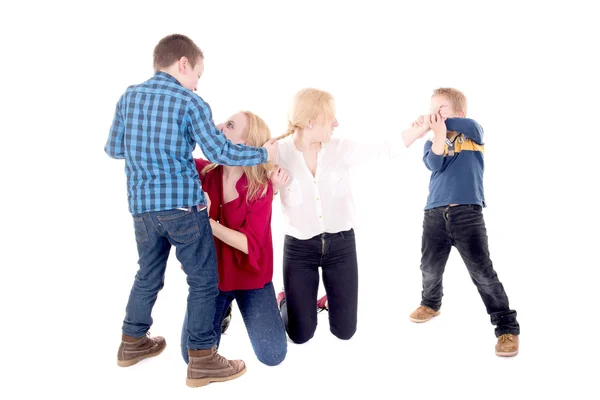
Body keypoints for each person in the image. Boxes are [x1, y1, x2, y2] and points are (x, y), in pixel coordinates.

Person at [104, 33, 278, 387]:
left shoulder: (129, 96)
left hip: (141, 209)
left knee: (147, 274)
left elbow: (114, 150)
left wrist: (149, 154)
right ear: (183, 64)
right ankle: (203, 359)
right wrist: (263, 155)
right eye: (198, 73)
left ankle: (132, 342)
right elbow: (220, 152)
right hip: (183, 207)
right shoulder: (190, 102)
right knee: (203, 281)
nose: (198, 82)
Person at [271, 88, 424, 344]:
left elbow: (385, 149)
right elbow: (254, 192)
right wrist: (274, 186)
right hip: (299, 250)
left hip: (340, 246)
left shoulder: (339, 149)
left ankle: (325, 299)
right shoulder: (278, 153)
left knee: (344, 331)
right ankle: (286, 299)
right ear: (310, 121)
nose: (336, 123)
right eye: (330, 118)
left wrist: (421, 129)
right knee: (300, 335)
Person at [404, 87, 520, 357]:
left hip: (467, 215)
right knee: (429, 268)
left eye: (441, 109)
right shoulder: (432, 141)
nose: (434, 115)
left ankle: (506, 326)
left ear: (459, 112)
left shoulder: (472, 132)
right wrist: (435, 132)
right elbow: (434, 164)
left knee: (483, 274)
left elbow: (468, 125)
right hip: (434, 214)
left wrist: (429, 124)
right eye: (432, 109)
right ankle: (431, 304)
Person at [180, 111, 287, 367]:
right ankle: (224, 309)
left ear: (245, 145)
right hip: (213, 280)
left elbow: (248, 244)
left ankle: (278, 302)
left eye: (229, 125)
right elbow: (174, 157)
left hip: (251, 278)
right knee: (190, 355)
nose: (218, 127)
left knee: (273, 355)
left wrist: (208, 222)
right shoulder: (204, 171)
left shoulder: (260, 187)